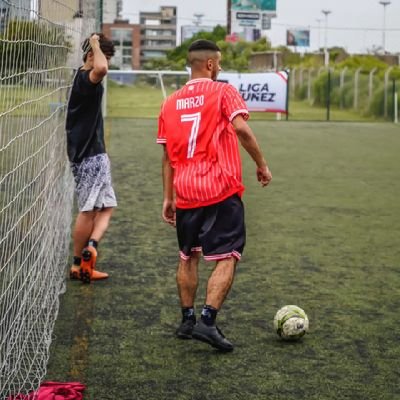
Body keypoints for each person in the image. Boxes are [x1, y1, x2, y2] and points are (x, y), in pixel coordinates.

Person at [157, 39, 272, 352]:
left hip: (186, 192)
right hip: (220, 189)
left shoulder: (170, 103)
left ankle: (187, 320)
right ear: (209, 64)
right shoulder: (223, 91)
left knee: (187, 255)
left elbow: (167, 156)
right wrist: (261, 164)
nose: (219, 67)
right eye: (218, 63)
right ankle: (208, 322)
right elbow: (242, 129)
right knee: (228, 255)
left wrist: (168, 197)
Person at [66, 33, 117, 283]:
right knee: (87, 210)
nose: (106, 62)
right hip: (90, 155)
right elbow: (101, 67)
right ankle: (77, 264)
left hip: (93, 153)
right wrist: (95, 44)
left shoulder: (80, 76)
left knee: (107, 207)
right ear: (90, 55)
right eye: (103, 56)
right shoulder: (88, 79)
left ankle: (91, 248)